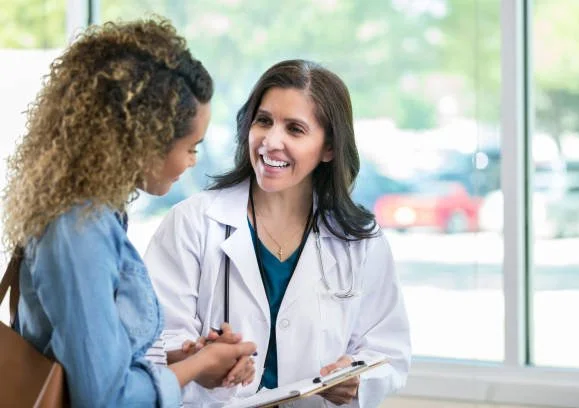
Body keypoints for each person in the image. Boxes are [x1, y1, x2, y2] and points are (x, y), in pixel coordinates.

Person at [2, 18, 257, 407]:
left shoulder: (94, 215)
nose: (192, 162)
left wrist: (186, 362)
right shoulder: (78, 230)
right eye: (191, 147)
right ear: (144, 141)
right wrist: (199, 363)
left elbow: (88, 363)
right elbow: (106, 399)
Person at [145, 59, 411, 407]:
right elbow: (152, 341)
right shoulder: (192, 223)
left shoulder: (360, 239)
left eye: (295, 129)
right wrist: (197, 356)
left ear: (329, 148)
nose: (271, 141)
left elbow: (388, 350)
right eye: (264, 121)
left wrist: (357, 377)